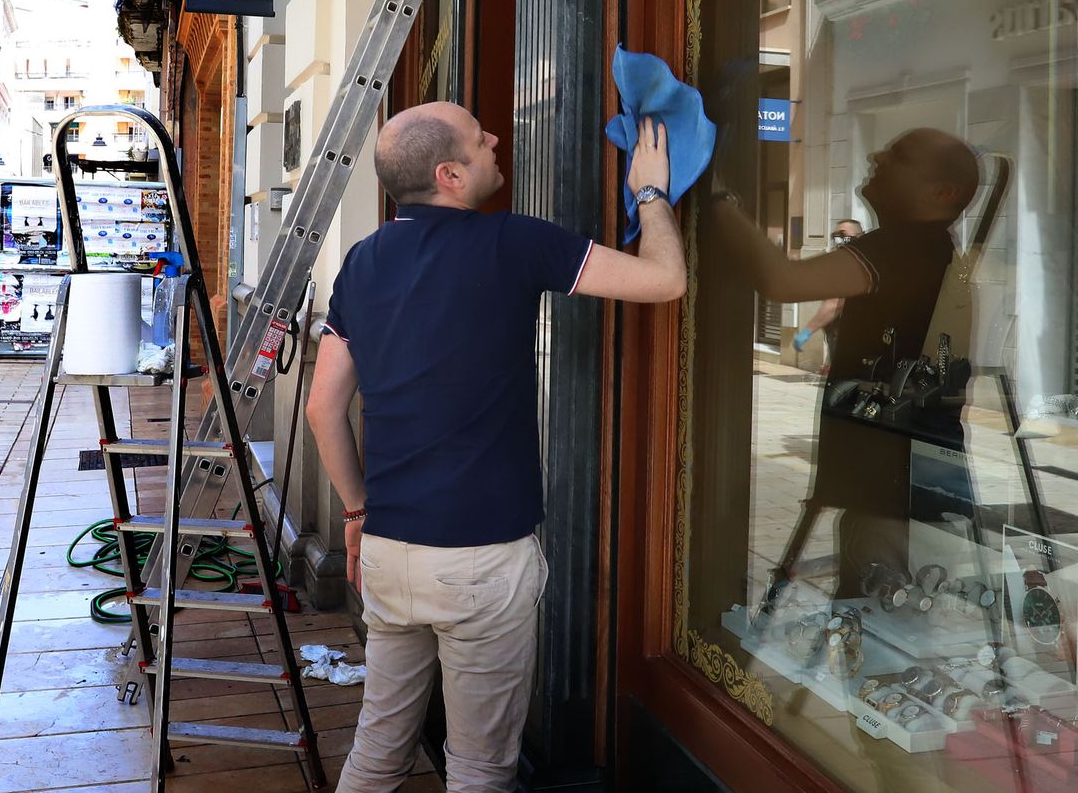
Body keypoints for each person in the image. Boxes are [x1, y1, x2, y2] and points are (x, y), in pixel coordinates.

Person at [305, 101, 687, 792]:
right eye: (481, 139)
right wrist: (651, 193)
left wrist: (357, 514)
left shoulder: (362, 260)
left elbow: (322, 407)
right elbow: (666, 280)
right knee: (479, 768)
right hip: (480, 562)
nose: (495, 139)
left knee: (380, 747)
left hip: (389, 551)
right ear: (451, 174)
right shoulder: (512, 242)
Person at [709, 128, 979, 600]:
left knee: (882, 630)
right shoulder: (932, 251)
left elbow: (782, 281)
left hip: (891, 483)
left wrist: (717, 201)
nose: (876, 153)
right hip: (911, 476)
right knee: (893, 627)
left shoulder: (901, 248)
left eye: (899, 155)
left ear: (942, 193)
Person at [790, 218, 864, 354]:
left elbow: (834, 303)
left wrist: (806, 332)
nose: (838, 239)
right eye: (834, 236)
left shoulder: (851, 265)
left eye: (842, 234)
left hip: (850, 337)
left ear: (859, 236)